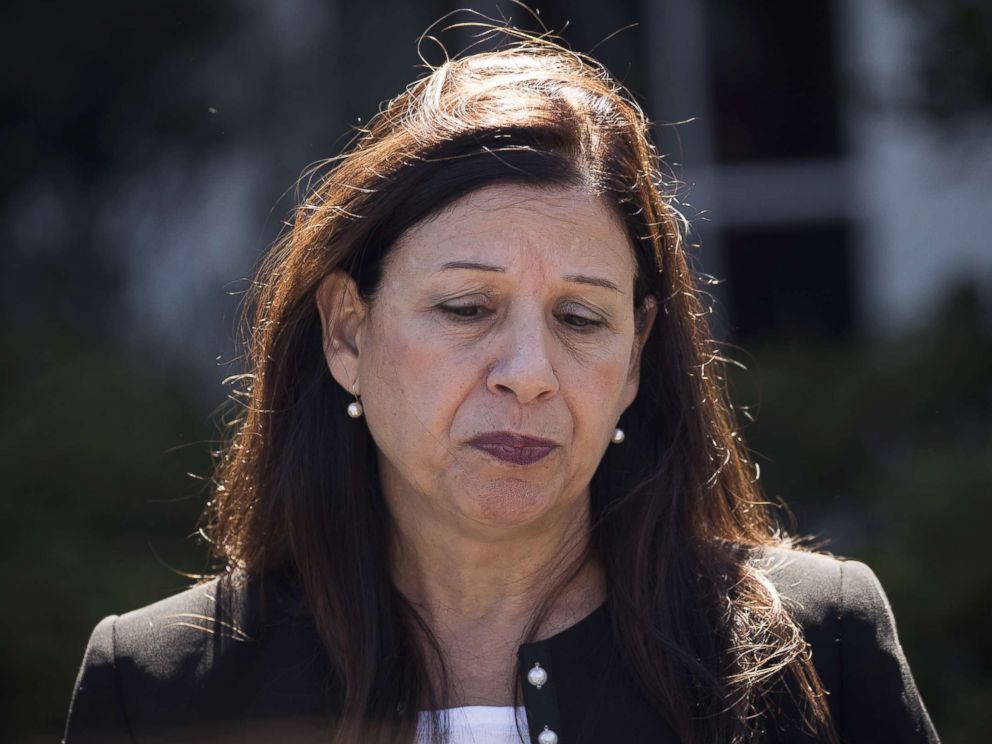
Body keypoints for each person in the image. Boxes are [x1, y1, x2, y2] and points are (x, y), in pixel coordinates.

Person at [63, 28, 940, 744]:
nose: (528, 376)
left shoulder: (814, 647)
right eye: (466, 307)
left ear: (635, 359)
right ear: (347, 332)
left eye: (581, 320)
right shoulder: (161, 688)